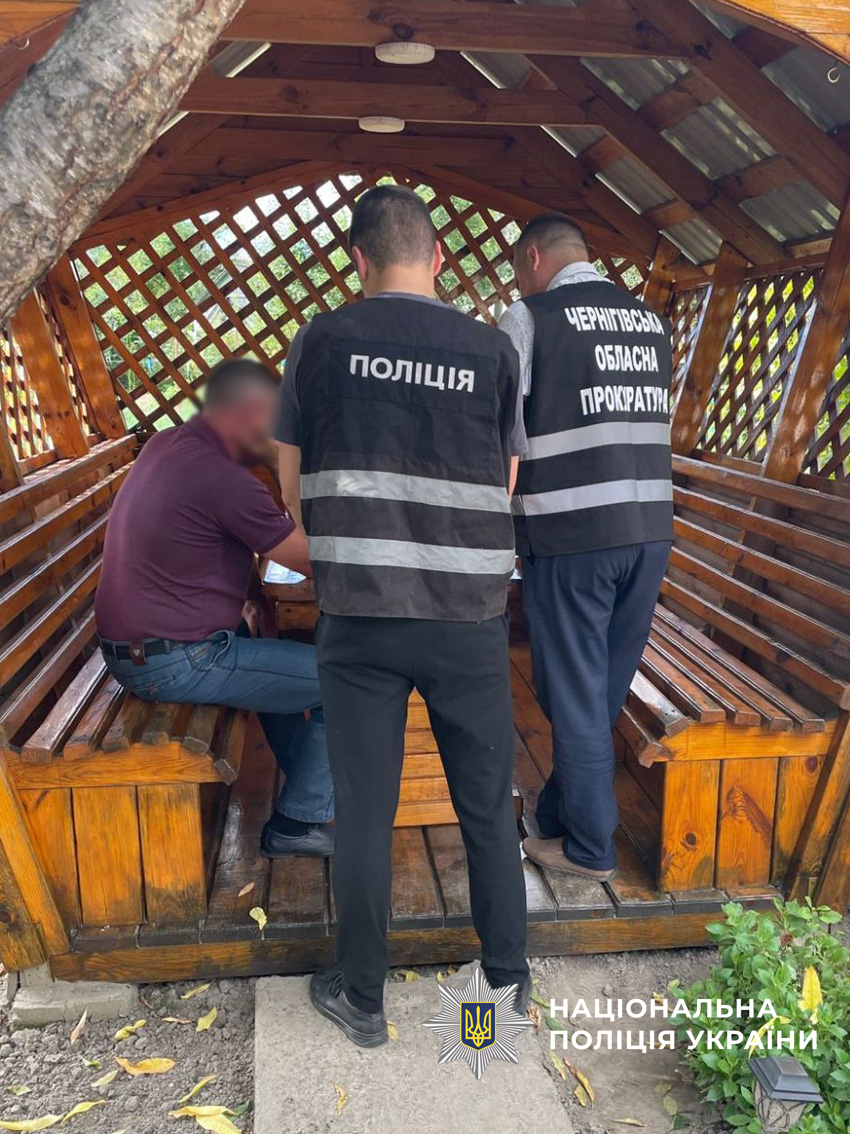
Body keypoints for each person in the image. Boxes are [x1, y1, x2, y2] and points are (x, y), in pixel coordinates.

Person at [277, 184, 530, 1048]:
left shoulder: (320, 341)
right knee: (486, 808)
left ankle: (363, 1000)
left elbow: (291, 482)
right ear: (438, 257)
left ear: (358, 259)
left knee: (364, 810)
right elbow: (505, 480)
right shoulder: (492, 349)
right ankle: (505, 987)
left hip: (361, 612)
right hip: (468, 616)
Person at [95, 358, 335, 859]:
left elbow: (222, 543)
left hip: (139, 647)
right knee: (350, 681)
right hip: (175, 660)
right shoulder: (223, 477)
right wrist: (283, 466)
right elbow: (313, 562)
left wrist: (252, 599)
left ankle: (307, 781)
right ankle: (297, 824)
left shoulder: (167, 443)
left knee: (270, 648)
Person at [498, 213, 673, 881]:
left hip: (571, 533)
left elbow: (501, 433)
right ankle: (555, 815)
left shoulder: (530, 318)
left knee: (573, 693)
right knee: (598, 692)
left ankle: (590, 848)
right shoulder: (649, 322)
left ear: (534, 257)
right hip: (649, 532)